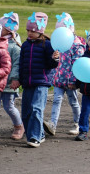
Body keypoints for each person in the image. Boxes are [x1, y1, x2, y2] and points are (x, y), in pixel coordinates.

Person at [19, 12, 61, 147]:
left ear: (40, 31)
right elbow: (21, 63)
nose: (30, 33)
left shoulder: (47, 45)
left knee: (36, 108)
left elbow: (52, 65)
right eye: (28, 30)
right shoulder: (25, 45)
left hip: (41, 82)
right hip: (27, 83)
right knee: (25, 112)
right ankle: (39, 133)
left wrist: (55, 58)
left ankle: (35, 137)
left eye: (33, 31)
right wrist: (20, 80)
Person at [46, 13, 84, 137]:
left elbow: (77, 64)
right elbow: (56, 61)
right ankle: (53, 124)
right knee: (56, 100)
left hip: (70, 81)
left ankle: (77, 123)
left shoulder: (77, 45)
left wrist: (74, 80)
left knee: (73, 102)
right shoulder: (57, 42)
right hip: (58, 78)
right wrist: (54, 58)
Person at [0, 12, 24, 141]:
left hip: (9, 83)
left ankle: (19, 126)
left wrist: (15, 78)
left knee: (9, 106)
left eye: (0, 27)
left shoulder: (14, 47)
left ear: (7, 30)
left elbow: (17, 64)